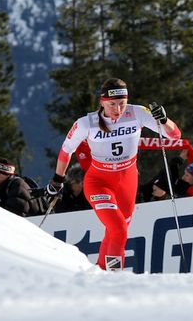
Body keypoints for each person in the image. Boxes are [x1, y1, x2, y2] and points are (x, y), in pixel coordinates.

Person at [47, 78, 181, 271]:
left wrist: (164, 120)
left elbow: (174, 135)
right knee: (118, 228)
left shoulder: (137, 113)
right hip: (98, 181)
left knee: (117, 229)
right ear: (102, 102)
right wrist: (57, 179)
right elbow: (66, 151)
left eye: (121, 104)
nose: (117, 110)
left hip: (127, 180)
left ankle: (101, 272)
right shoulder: (87, 123)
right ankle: (113, 276)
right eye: (112, 105)